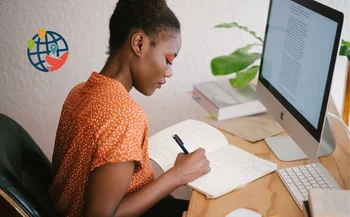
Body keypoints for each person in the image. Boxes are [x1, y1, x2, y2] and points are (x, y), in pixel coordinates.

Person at [48, 0, 210, 216]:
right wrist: (177, 175)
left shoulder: (79, 91)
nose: (169, 71)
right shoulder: (124, 115)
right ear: (139, 43)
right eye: (169, 59)